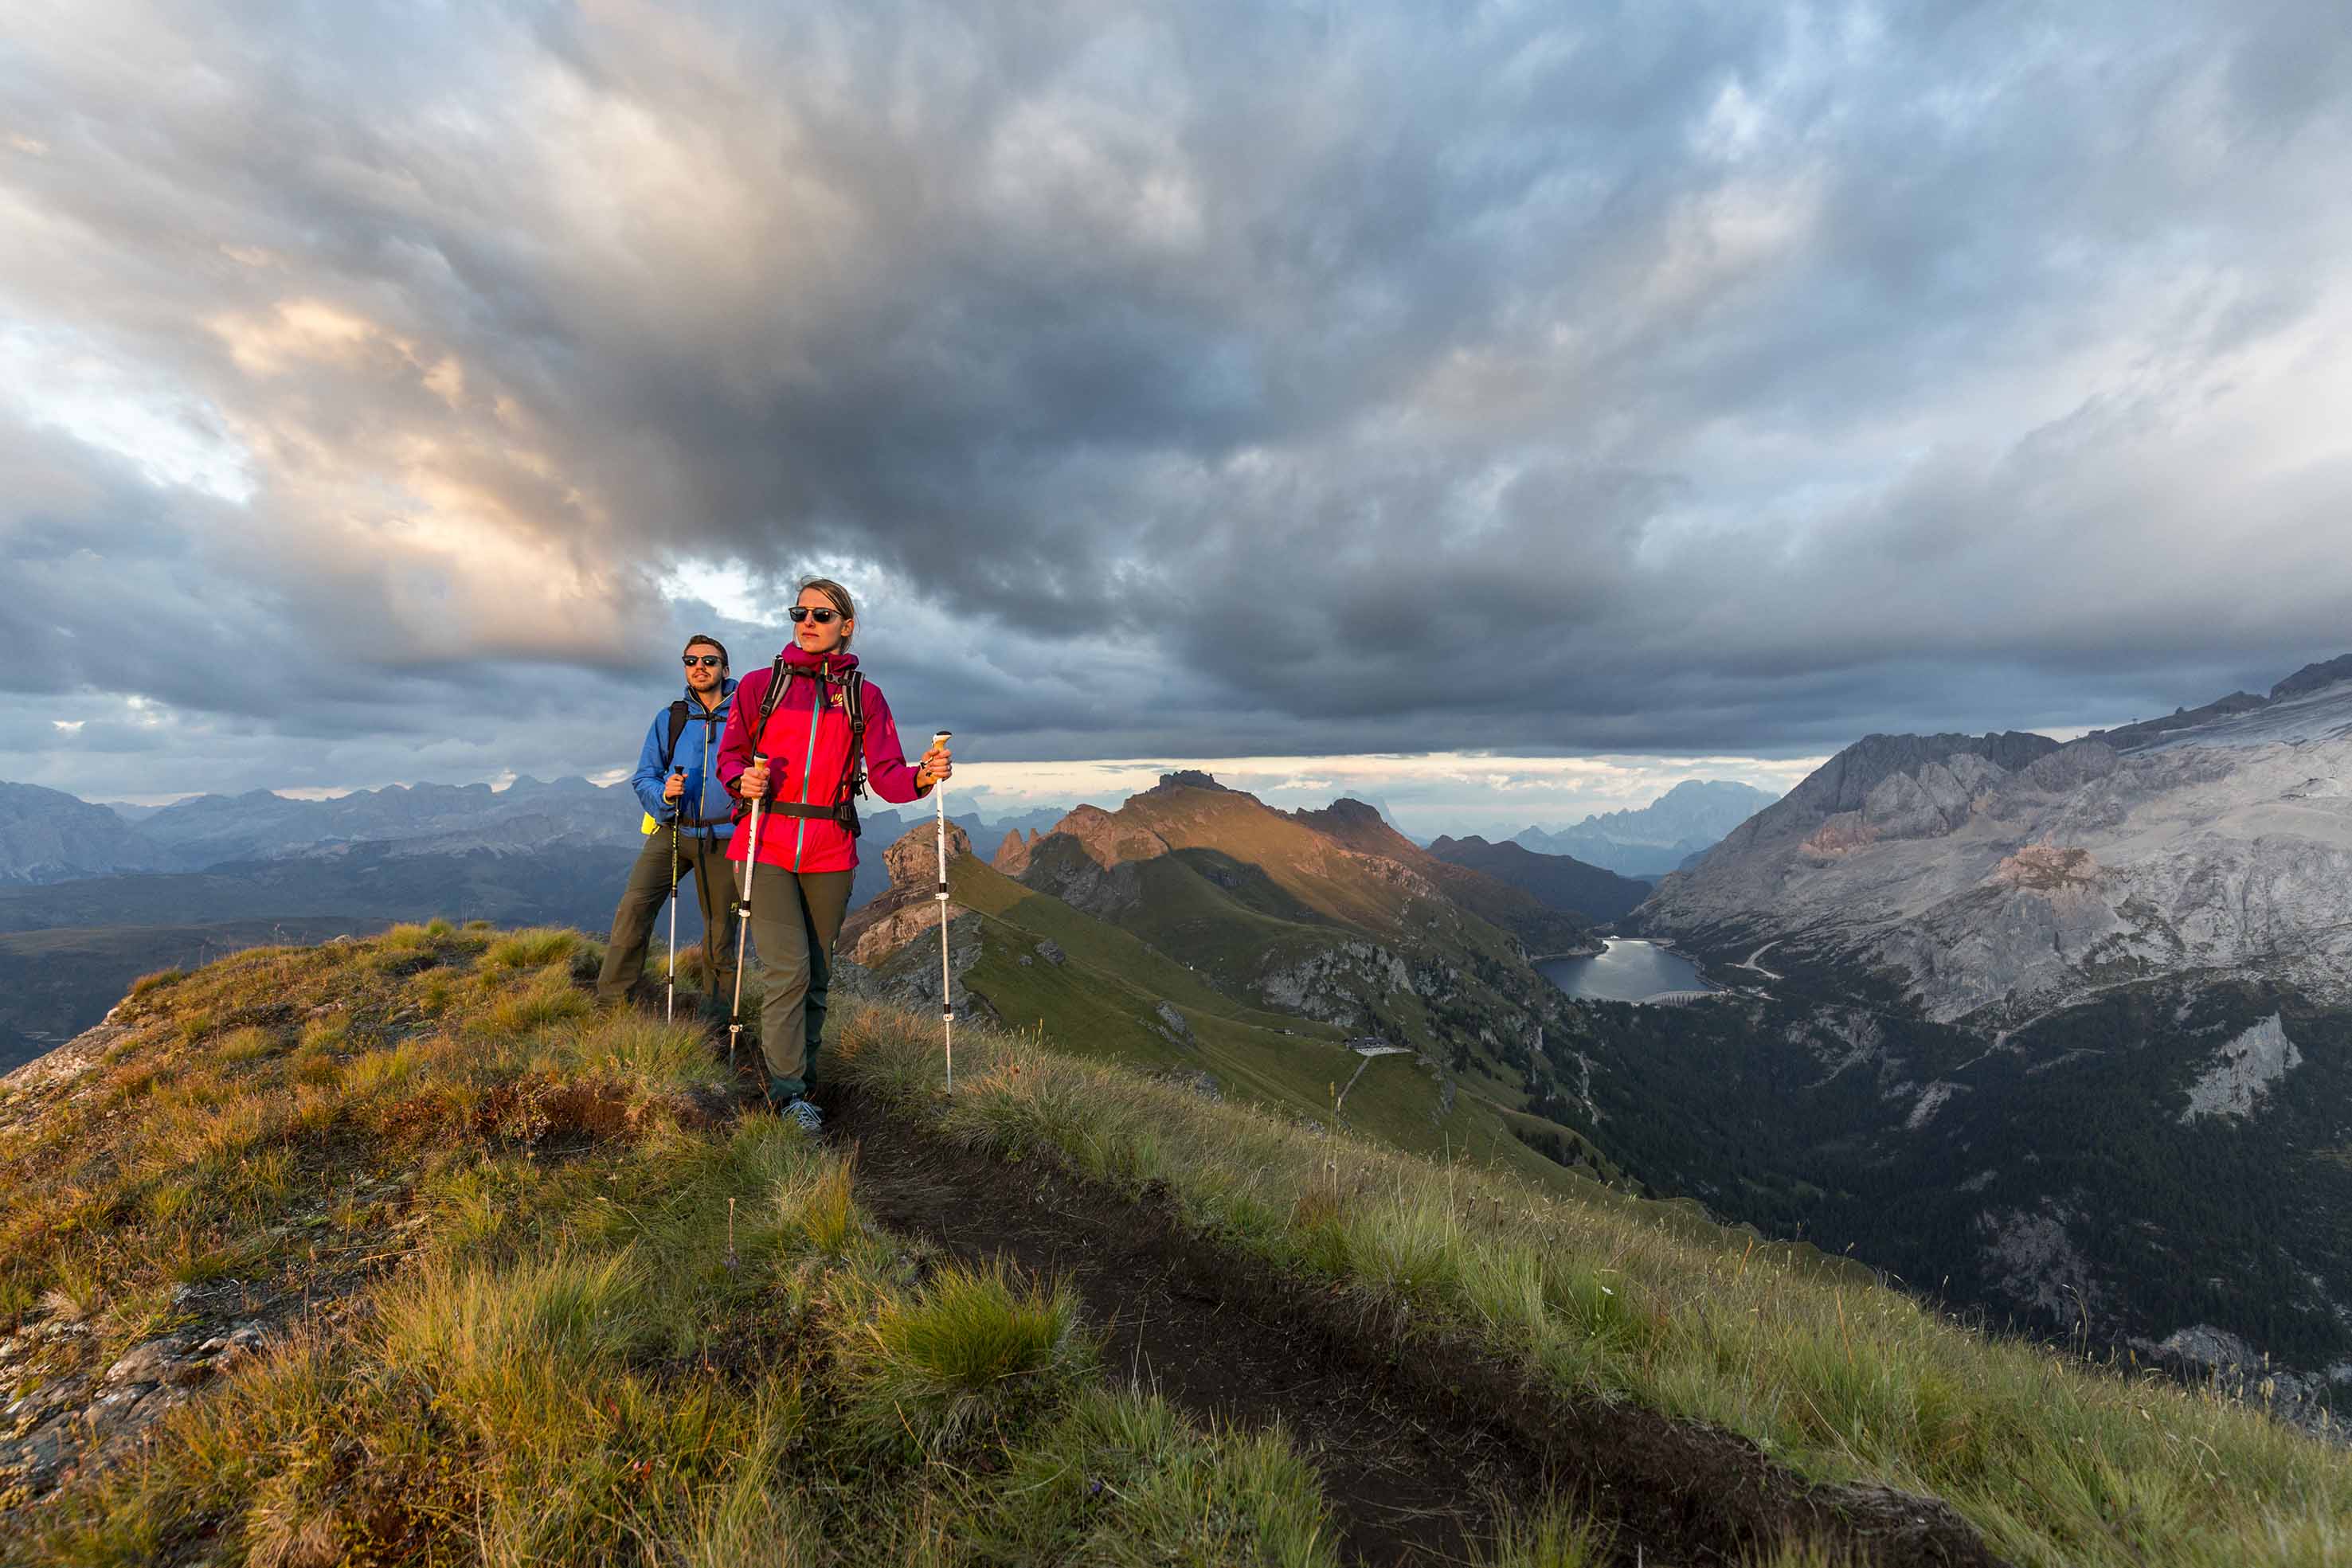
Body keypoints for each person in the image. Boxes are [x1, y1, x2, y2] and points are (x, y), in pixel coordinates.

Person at [716, 577, 951, 1129]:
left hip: (830, 850)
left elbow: (889, 776)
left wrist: (923, 774)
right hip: (763, 843)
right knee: (789, 969)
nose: (807, 621)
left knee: (817, 974)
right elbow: (729, 756)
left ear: (845, 625)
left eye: (821, 614)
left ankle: (803, 1081)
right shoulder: (758, 686)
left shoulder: (863, 695)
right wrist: (740, 779)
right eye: (800, 611)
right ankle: (785, 1093)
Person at [595, 634, 741, 1012]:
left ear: (726, 669)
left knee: (720, 932)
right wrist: (663, 793)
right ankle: (612, 1003)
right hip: (672, 830)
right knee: (634, 908)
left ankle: (718, 1020)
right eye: (690, 661)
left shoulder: (747, 716)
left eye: (709, 661)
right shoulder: (672, 718)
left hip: (726, 836)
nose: (699, 668)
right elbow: (644, 776)